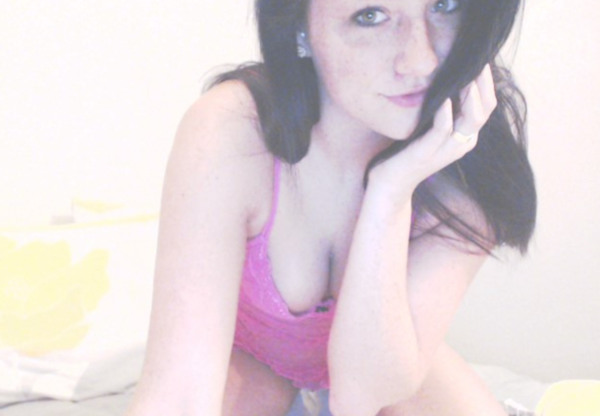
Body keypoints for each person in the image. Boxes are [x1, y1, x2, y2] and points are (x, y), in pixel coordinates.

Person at [125, 0, 536, 415]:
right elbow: (178, 394)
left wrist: (390, 195)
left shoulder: (471, 168)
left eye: (444, 5)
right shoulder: (235, 129)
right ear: (299, 29)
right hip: (248, 360)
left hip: (385, 368)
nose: (420, 61)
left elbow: (364, 396)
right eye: (370, 16)